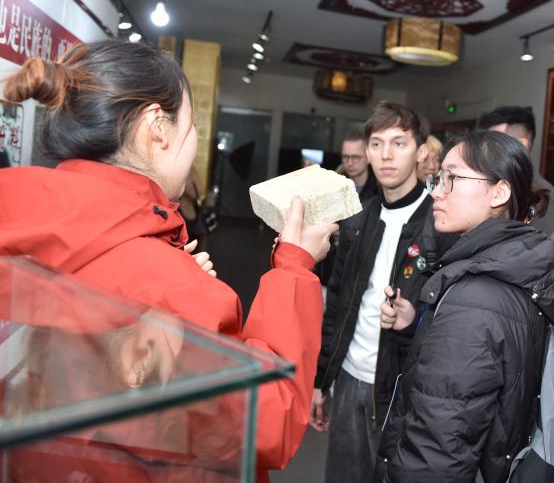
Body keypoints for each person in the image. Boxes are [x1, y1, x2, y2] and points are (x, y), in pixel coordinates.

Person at [0, 41, 337, 478]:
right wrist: (294, 264)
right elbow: (268, 421)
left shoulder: (26, 226)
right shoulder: (171, 284)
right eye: (191, 125)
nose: (194, 142)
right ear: (157, 128)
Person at [373, 131, 554, 482]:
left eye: (452, 178)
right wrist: (415, 326)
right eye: (438, 179)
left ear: (499, 193)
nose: (436, 191)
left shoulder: (474, 298)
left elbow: (437, 453)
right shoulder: (517, 265)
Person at [312, 102, 454, 482]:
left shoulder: (441, 224)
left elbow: (454, 318)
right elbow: (338, 305)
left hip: (401, 390)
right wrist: (320, 380)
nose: (386, 155)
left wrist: (414, 318)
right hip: (349, 377)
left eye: (398, 143)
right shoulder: (358, 219)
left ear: (421, 152)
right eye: (377, 144)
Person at [478, 105, 554, 255]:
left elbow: (547, 262)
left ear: (521, 145)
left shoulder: (544, 199)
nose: (484, 151)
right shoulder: (493, 186)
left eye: (494, 144)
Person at [341, 131, 378, 202]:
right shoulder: (335, 188)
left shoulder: (380, 192)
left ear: (368, 157)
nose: (349, 163)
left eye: (355, 157)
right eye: (345, 156)